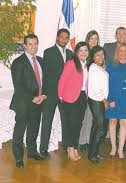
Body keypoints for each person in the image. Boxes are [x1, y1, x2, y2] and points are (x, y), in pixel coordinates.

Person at [10, 34, 46, 168]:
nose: (33, 46)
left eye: (35, 43)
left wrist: (44, 95)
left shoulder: (41, 61)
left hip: (39, 101)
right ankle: (18, 157)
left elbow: (44, 81)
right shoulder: (18, 62)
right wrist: (32, 98)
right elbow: (18, 85)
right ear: (24, 46)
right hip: (24, 103)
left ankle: (32, 152)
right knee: (19, 131)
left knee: (33, 129)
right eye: (30, 44)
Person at [40, 29, 73, 158]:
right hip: (52, 92)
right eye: (62, 37)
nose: (64, 40)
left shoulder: (71, 53)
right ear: (57, 38)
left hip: (65, 94)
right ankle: (43, 148)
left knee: (66, 120)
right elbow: (46, 74)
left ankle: (66, 145)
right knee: (47, 120)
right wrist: (44, 93)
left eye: (66, 38)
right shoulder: (48, 52)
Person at [58, 42, 89, 161]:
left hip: (82, 97)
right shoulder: (71, 63)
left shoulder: (86, 65)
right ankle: (70, 148)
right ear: (76, 52)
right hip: (69, 97)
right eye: (81, 50)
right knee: (70, 125)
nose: (83, 53)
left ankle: (75, 146)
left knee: (78, 124)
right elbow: (62, 80)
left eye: (86, 50)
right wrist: (61, 96)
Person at [105, 43, 126, 159]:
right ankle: (113, 147)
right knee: (112, 122)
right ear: (117, 53)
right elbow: (107, 84)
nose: (123, 54)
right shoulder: (110, 66)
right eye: (120, 51)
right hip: (113, 97)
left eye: (125, 51)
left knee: (124, 123)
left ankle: (120, 149)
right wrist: (110, 99)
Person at [87, 46, 109, 164]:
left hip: (98, 100)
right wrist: (104, 100)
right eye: (98, 55)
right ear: (93, 57)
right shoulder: (94, 69)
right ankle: (92, 155)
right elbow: (95, 88)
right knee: (100, 129)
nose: (101, 57)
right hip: (97, 100)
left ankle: (93, 153)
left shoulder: (98, 67)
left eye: (102, 54)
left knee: (96, 127)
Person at [79, 30, 100, 151]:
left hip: (94, 92)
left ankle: (88, 140)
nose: (93, 40)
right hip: (83, 92)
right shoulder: (84, 55)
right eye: (91, 38)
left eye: (96, 38)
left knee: (91, 117)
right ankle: (81, 141)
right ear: (87, 39)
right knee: (83, 118)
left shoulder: (98, 54)